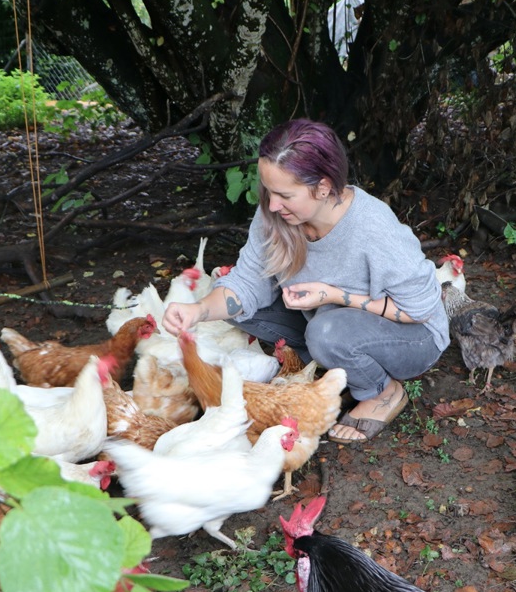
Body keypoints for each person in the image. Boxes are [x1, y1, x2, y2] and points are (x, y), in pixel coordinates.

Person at [162, 119, 449, 443]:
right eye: (268, 191)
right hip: (329, 320)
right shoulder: (276, 214)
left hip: (413, 336)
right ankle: (330, 359)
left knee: (327, 331)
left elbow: (420, 309)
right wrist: (197, 311)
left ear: (323, 188)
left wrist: (333, 295)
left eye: (284, 194)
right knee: (244, 309)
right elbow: (245, 283)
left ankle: (383, 392)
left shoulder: (372, 227)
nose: (271, 205)